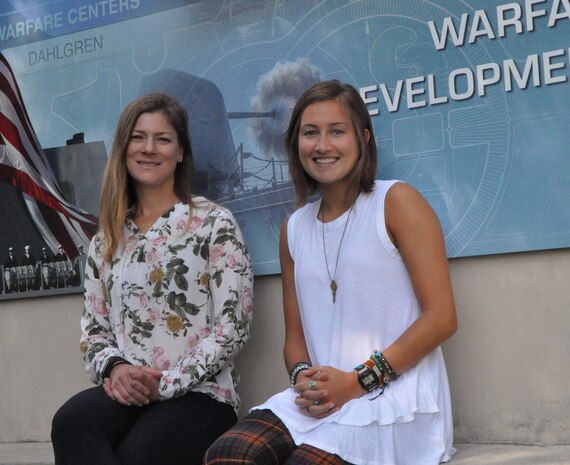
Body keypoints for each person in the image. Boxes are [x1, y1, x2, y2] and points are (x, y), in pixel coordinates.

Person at [204, 80, 457, 465]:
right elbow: (295, 339)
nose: (322, 146)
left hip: (395, 400)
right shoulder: (295, 227)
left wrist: (356, 382)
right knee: (227, 455)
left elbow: (442, 319)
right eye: (310, 133)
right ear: (296, 144)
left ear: (364, 139)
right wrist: (303, 377)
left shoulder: (397, 201)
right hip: (323, 399)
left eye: (337, 131)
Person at [51, 93, 254, 465]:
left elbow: (233, 329)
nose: (149, 149)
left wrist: (165, 385)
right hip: (126, 392)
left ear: (180, 152)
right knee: (71, 422)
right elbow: (94, 331)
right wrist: (118, 369)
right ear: (124, 148)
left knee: (138, 454)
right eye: (138, 137)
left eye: (162, 139)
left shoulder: (213, 224)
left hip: (200, 393)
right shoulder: (107, 239)